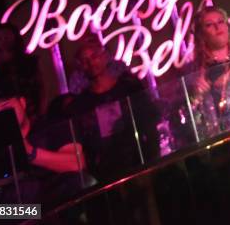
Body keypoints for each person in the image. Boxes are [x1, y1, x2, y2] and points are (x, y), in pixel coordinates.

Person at [0, 86, 94, 208]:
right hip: (20, 213)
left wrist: (30, 153)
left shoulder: (53, 126)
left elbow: (77, 164)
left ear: (22, 103)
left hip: (57, 208)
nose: (2, 117)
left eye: (6, 109)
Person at [65, 36, 160, 182]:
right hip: (108, 174)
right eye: (84, 61)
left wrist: (154, 160)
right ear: (80, 66)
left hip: (141, 161)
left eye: (94, 56)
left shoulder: (129, 87)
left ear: (105, 56)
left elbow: (150, 124)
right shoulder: (81, 104)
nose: (90, 63)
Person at [182, 6, 230, 137]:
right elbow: (190, 120)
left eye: (220, 22)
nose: (217, 27)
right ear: (201, 35)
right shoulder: (194, 72)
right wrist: (195, 95)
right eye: (209, 25)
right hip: (225, 138)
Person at [0, 23, 44, 118]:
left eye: (7, 37)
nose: (3, 41)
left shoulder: (29, 61)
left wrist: (41, 110)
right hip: (6, 112)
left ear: (15, 38)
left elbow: (40, 87)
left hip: (30, 110)